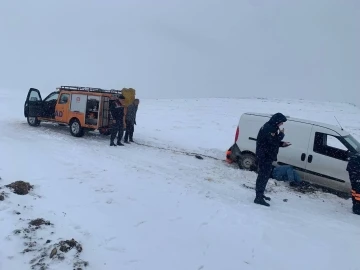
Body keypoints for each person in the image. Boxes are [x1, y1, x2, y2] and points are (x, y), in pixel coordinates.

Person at [254, 112, 291, 207]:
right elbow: (272, 141)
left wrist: (282, 144)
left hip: (266, 155)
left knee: (264, 176)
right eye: (281, 122)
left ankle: (260, 194)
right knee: (263, 176)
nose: (282, 124)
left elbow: (272, 142)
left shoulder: (272, 127)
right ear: (277, 121)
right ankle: (258, 198)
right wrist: (281, 135)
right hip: (264, 156)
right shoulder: (269, 128)